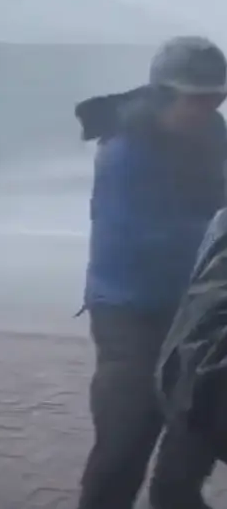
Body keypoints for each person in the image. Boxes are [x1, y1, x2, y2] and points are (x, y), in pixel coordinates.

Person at [75, 35, 227, 509]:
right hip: (131, 311)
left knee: (194, 434)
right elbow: (145, 238)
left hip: (194, 311)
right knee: (124, 442)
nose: (206, 109)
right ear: (164, 94)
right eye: (196, 99)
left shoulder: (214, 133)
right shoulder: (125, 150)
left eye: (216, 98)